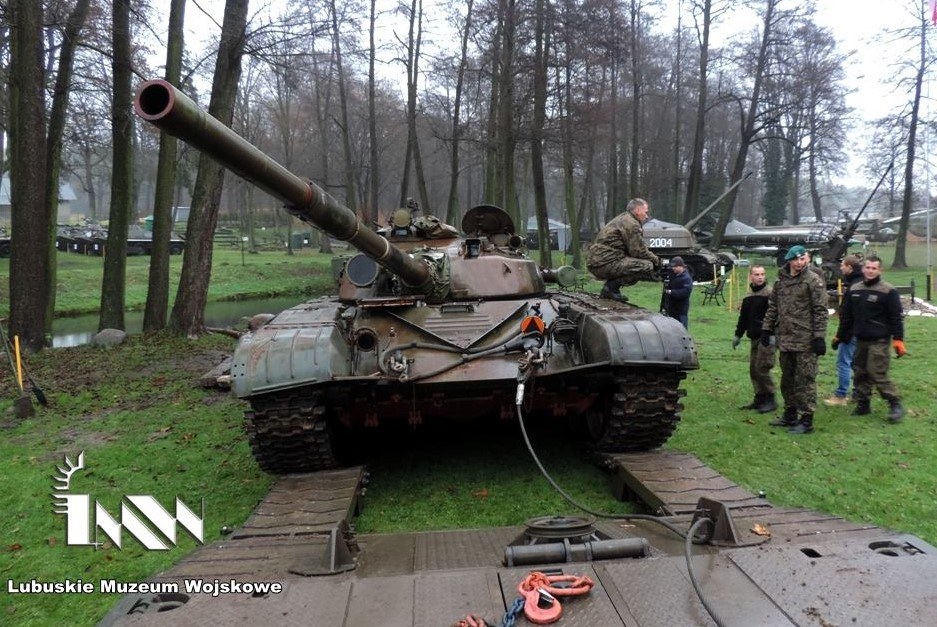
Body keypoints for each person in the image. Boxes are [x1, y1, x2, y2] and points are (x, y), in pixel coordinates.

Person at [760, 244, 828, 435]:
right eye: (797, 259)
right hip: (786, 338)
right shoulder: (780, 281)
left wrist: (819, 337)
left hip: (806, 340)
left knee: (805, 380)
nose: (800, 262)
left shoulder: (813, 280)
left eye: (803, 258)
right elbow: (773, 306)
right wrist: (766, 328)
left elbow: (820, 311)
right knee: (787, 379)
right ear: (789, 260)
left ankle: (806, 420)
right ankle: (790, 413)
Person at [832, 255, 905, 422]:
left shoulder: (888, 291)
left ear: (879, 270)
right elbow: (847, 316)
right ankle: (863, 404)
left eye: (874, 268)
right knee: (860, 371)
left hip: (879, 340)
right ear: (863, 269)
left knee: (876, 371)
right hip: (860, 339)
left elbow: (896, 317)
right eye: (868, 268)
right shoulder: (855, 289)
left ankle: (894, 403)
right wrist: (839, 336)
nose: (870, 271)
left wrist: (898, 340)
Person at [587, 198, 662, 301]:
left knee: (637, 264)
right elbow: (639, 252)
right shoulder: (631, 223)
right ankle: (610, 289)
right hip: (604, 263)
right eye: (645, 212)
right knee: (646, 266)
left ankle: (610, 289)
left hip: (600, 262)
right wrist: (657, 261)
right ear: (638, 210)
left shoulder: (624, 219)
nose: (646, 216)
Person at [733, 265, 777, 413]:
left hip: (767, 337)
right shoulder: (748, 296)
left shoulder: (770, 294)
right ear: (751, 276)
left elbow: (776, 316)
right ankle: (759, 398)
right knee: (753, 369)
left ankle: (770, 398)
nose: (760, 277)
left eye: (762, 274)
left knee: (762, 368)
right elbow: (743, 318)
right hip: (754, 337)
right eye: (757, 274)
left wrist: (772, 334)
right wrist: (738, 334)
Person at [824, 255, 863, 406]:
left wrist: (839, 336)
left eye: (843, 266)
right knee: (856, 363)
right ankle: (857, 393)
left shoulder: (854, 287)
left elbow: (847, 315)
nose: (840, 268)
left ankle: (841, 395)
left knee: (844, 363)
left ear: (850, 267)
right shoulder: (861, 282)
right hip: (862, 331)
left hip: (851, 332)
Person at [663, 256, 693, 328]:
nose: (673, 268)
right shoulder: (673, 275)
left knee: (682, 329)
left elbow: (685, 292)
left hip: (681, 310)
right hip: (672, 308)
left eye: (675, 267)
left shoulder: (686, 278)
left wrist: (671, 292)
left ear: (681, 266)